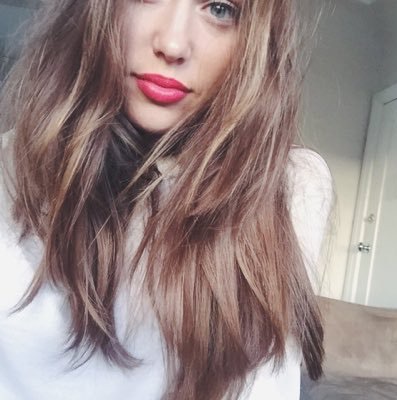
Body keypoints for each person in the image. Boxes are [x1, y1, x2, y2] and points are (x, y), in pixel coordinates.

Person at [0, 0, 333, 399]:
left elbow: (266, 386)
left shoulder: (291, 184)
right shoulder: (10, 168)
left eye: (220, 8)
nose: (173, 44)